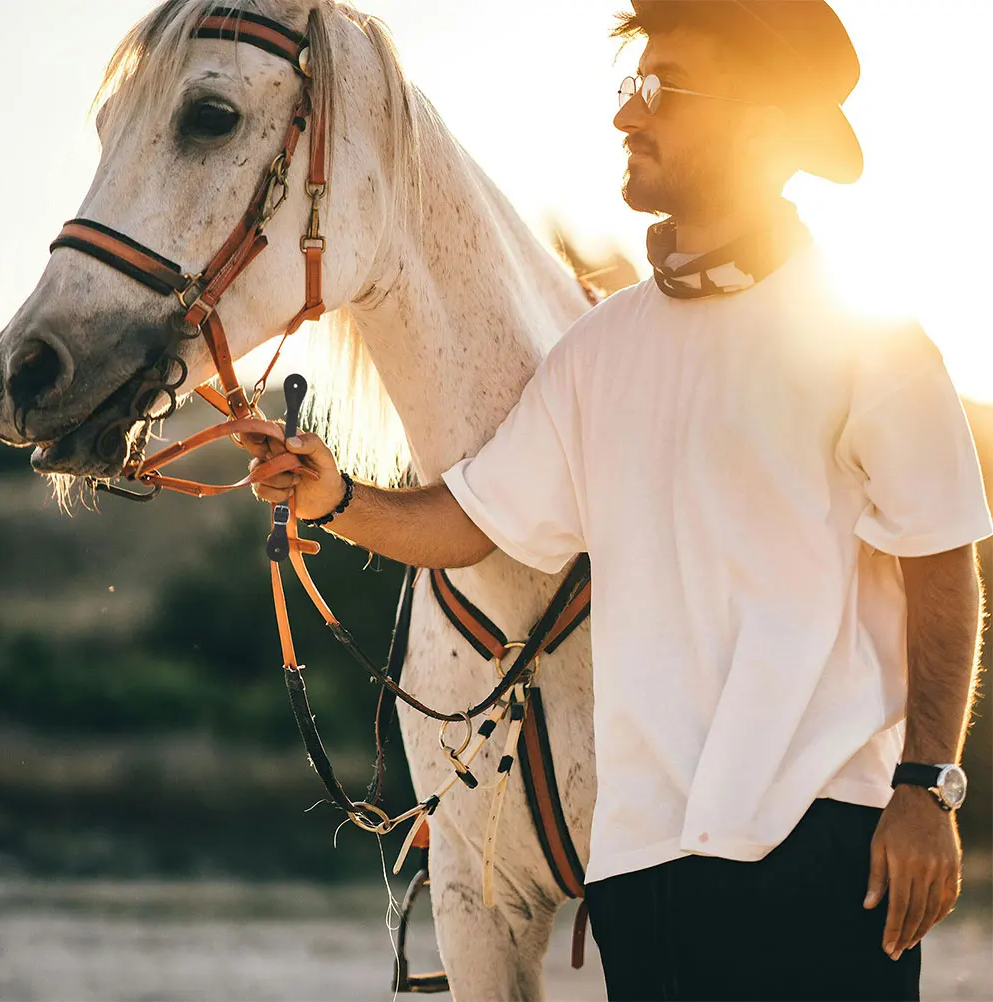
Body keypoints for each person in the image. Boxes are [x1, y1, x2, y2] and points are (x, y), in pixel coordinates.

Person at [246, 2, 992, 999]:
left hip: (827, 848)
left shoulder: (875, 344)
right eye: (628, 87)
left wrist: (927, 790)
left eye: (662, 89)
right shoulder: (598, 354)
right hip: (641, 874)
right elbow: (471, 522)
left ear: (765, 127)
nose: (625, 118)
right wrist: (335, 497)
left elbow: (944, 568)